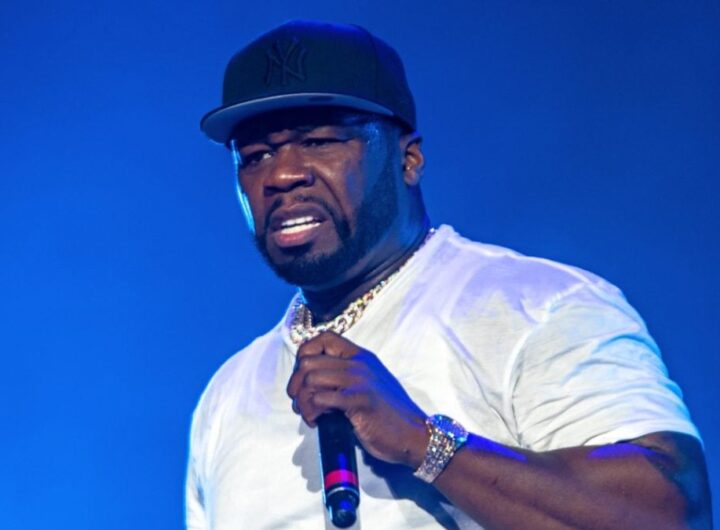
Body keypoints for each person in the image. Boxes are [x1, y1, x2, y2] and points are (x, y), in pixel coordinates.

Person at [187, 20, 711, 529]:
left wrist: (425, 443)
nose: (281, 175)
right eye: (255, 156)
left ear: (409, 159)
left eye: (320, 141)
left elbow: (670, 515)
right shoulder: (228, 395)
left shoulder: (540, 306)